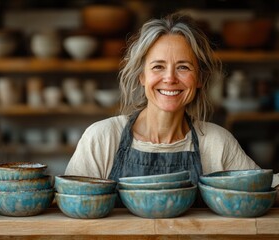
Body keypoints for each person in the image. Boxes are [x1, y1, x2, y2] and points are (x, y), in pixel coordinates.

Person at [64, 13, 279, 190]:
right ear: (142, 76)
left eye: (183, 67)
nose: (170, 78)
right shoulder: (102, 138)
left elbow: (263, 190)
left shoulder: (216, 143)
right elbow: (72, 211)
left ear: (200, 79)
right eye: (158, 66)